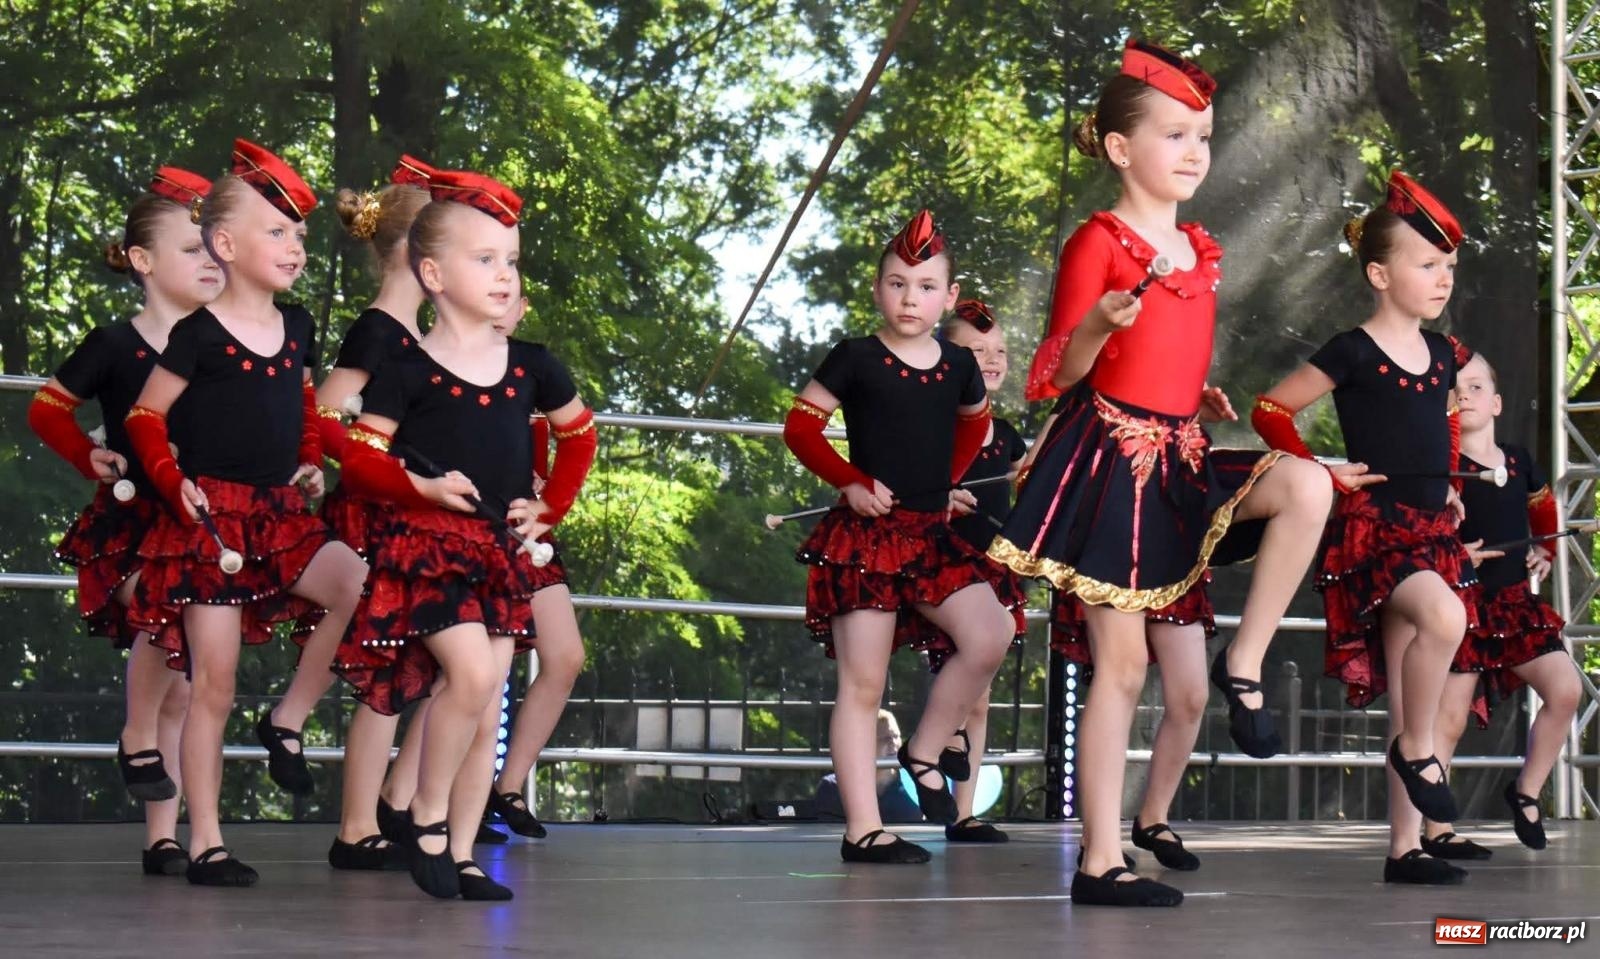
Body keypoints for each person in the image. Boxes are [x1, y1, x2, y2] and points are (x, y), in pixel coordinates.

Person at [988, 40, 1333, 906]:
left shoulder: (1200, 249)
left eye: (1204, 137)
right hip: (1109, 464)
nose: (1193, 152)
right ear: (1118, 148)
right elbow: (1057, 373)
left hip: (1178, 456)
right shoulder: (1097, 242)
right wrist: (1103, 325)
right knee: (1124, 668)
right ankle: (1100, 857)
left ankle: (1244, 663)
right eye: (1175, 134)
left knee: (1307, 483)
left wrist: (1197, 392)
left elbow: (1167, 356)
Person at [336, 168, 596, 900]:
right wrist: (418, 485)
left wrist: (551, 509)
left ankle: (459, 849)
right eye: (485, 260)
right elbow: (359, 456)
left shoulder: (532, 366)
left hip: (497, 554)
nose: (505, 276)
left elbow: (580, 437)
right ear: (433, 273)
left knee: (486, 709)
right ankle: (422, 808)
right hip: (423, 551)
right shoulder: (404, 368)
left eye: (510, 261)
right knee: (474, 677)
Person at [123, 139, 369, 886]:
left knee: (359, 584)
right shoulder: (196, 335)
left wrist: (310, 459)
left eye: (297, 234)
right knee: (214, 683)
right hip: (212, 523)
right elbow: (143, 416)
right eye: (277, 231)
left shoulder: (296, 327)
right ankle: (207, 841)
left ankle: (288, 717)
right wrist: (174, 485)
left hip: (280, 513)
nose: (293, 246)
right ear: (224, 245)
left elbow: (299, 401)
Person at [1253, 169, 1475, 885]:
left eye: (1448, 267)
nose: (1442, 279)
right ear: (1380, 273)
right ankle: (1421, 752)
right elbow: (1269, 410)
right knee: (1443, 618)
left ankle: (1404, 848)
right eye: (1426, 264)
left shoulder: (1443, 355)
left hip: (1430, 528)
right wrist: (1319, 466)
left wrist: (1450, 489)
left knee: (1418, 682)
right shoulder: (1351, 350)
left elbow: (1444, 426)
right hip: (1375, 531)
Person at [783, 209, 1023, 865]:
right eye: (896, 283)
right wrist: (852, 480)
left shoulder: (957, 365)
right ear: (877, 289)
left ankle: (923, 747)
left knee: (991, 633)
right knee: (863, 684)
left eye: (922, 287)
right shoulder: (855, 356)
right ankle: (864, 827)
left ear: (946, 296)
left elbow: (975, 426)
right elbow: (801, 428)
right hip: (866, 537)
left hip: (931, 537)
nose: (908, 298)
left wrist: (945, 480)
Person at [28, 166, 219, 875]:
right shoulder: (115, 343)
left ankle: (163, 836)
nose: (209, 262)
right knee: (158, 623)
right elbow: (47, 407)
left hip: (200, 516)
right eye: (193, 249)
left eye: (212, 250)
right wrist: (91, 455)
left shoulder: (219, 341)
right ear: (142, 261)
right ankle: (136, 732)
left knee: (191, 681)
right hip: (139, 518)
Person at [317, 154, 435, 871]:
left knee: (431, 665)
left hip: (412, 512)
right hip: (376, 514)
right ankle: (357, 822)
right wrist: (375, 460)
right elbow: (326, 411)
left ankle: (397, 801)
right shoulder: (376, 330)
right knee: (388, 670)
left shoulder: (414, 334)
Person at [1419, 353, 1581, 858]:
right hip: (1462, 604)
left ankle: (1526, 792)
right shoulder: (1439, 470)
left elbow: (1542, 503)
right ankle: (1435, 830)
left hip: (1512, 604)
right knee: (1449, 718)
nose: (1464, 395)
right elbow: (1421, 534)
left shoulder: (1516, 458)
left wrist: (1545, 547)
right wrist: (1454, 555)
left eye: (1474, 387)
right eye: (1455, 388)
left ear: (1496, 402)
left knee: (1567, 690)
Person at [938, 299, 1025, 843]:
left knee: (982, 689)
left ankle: (963, 811)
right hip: (942, 565)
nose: (991, 360)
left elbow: (1026, 489)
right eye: (976, 351)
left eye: (999, 352)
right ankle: (936, 746)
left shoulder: (1009, 433)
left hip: (993, 564)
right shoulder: (937, 424)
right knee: (961, 672)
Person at [814, 710, 923, 824]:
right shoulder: (833, 787)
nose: (893, 743)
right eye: (885, 738)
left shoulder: (915, 784)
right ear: (863, 744)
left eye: (896, 736)